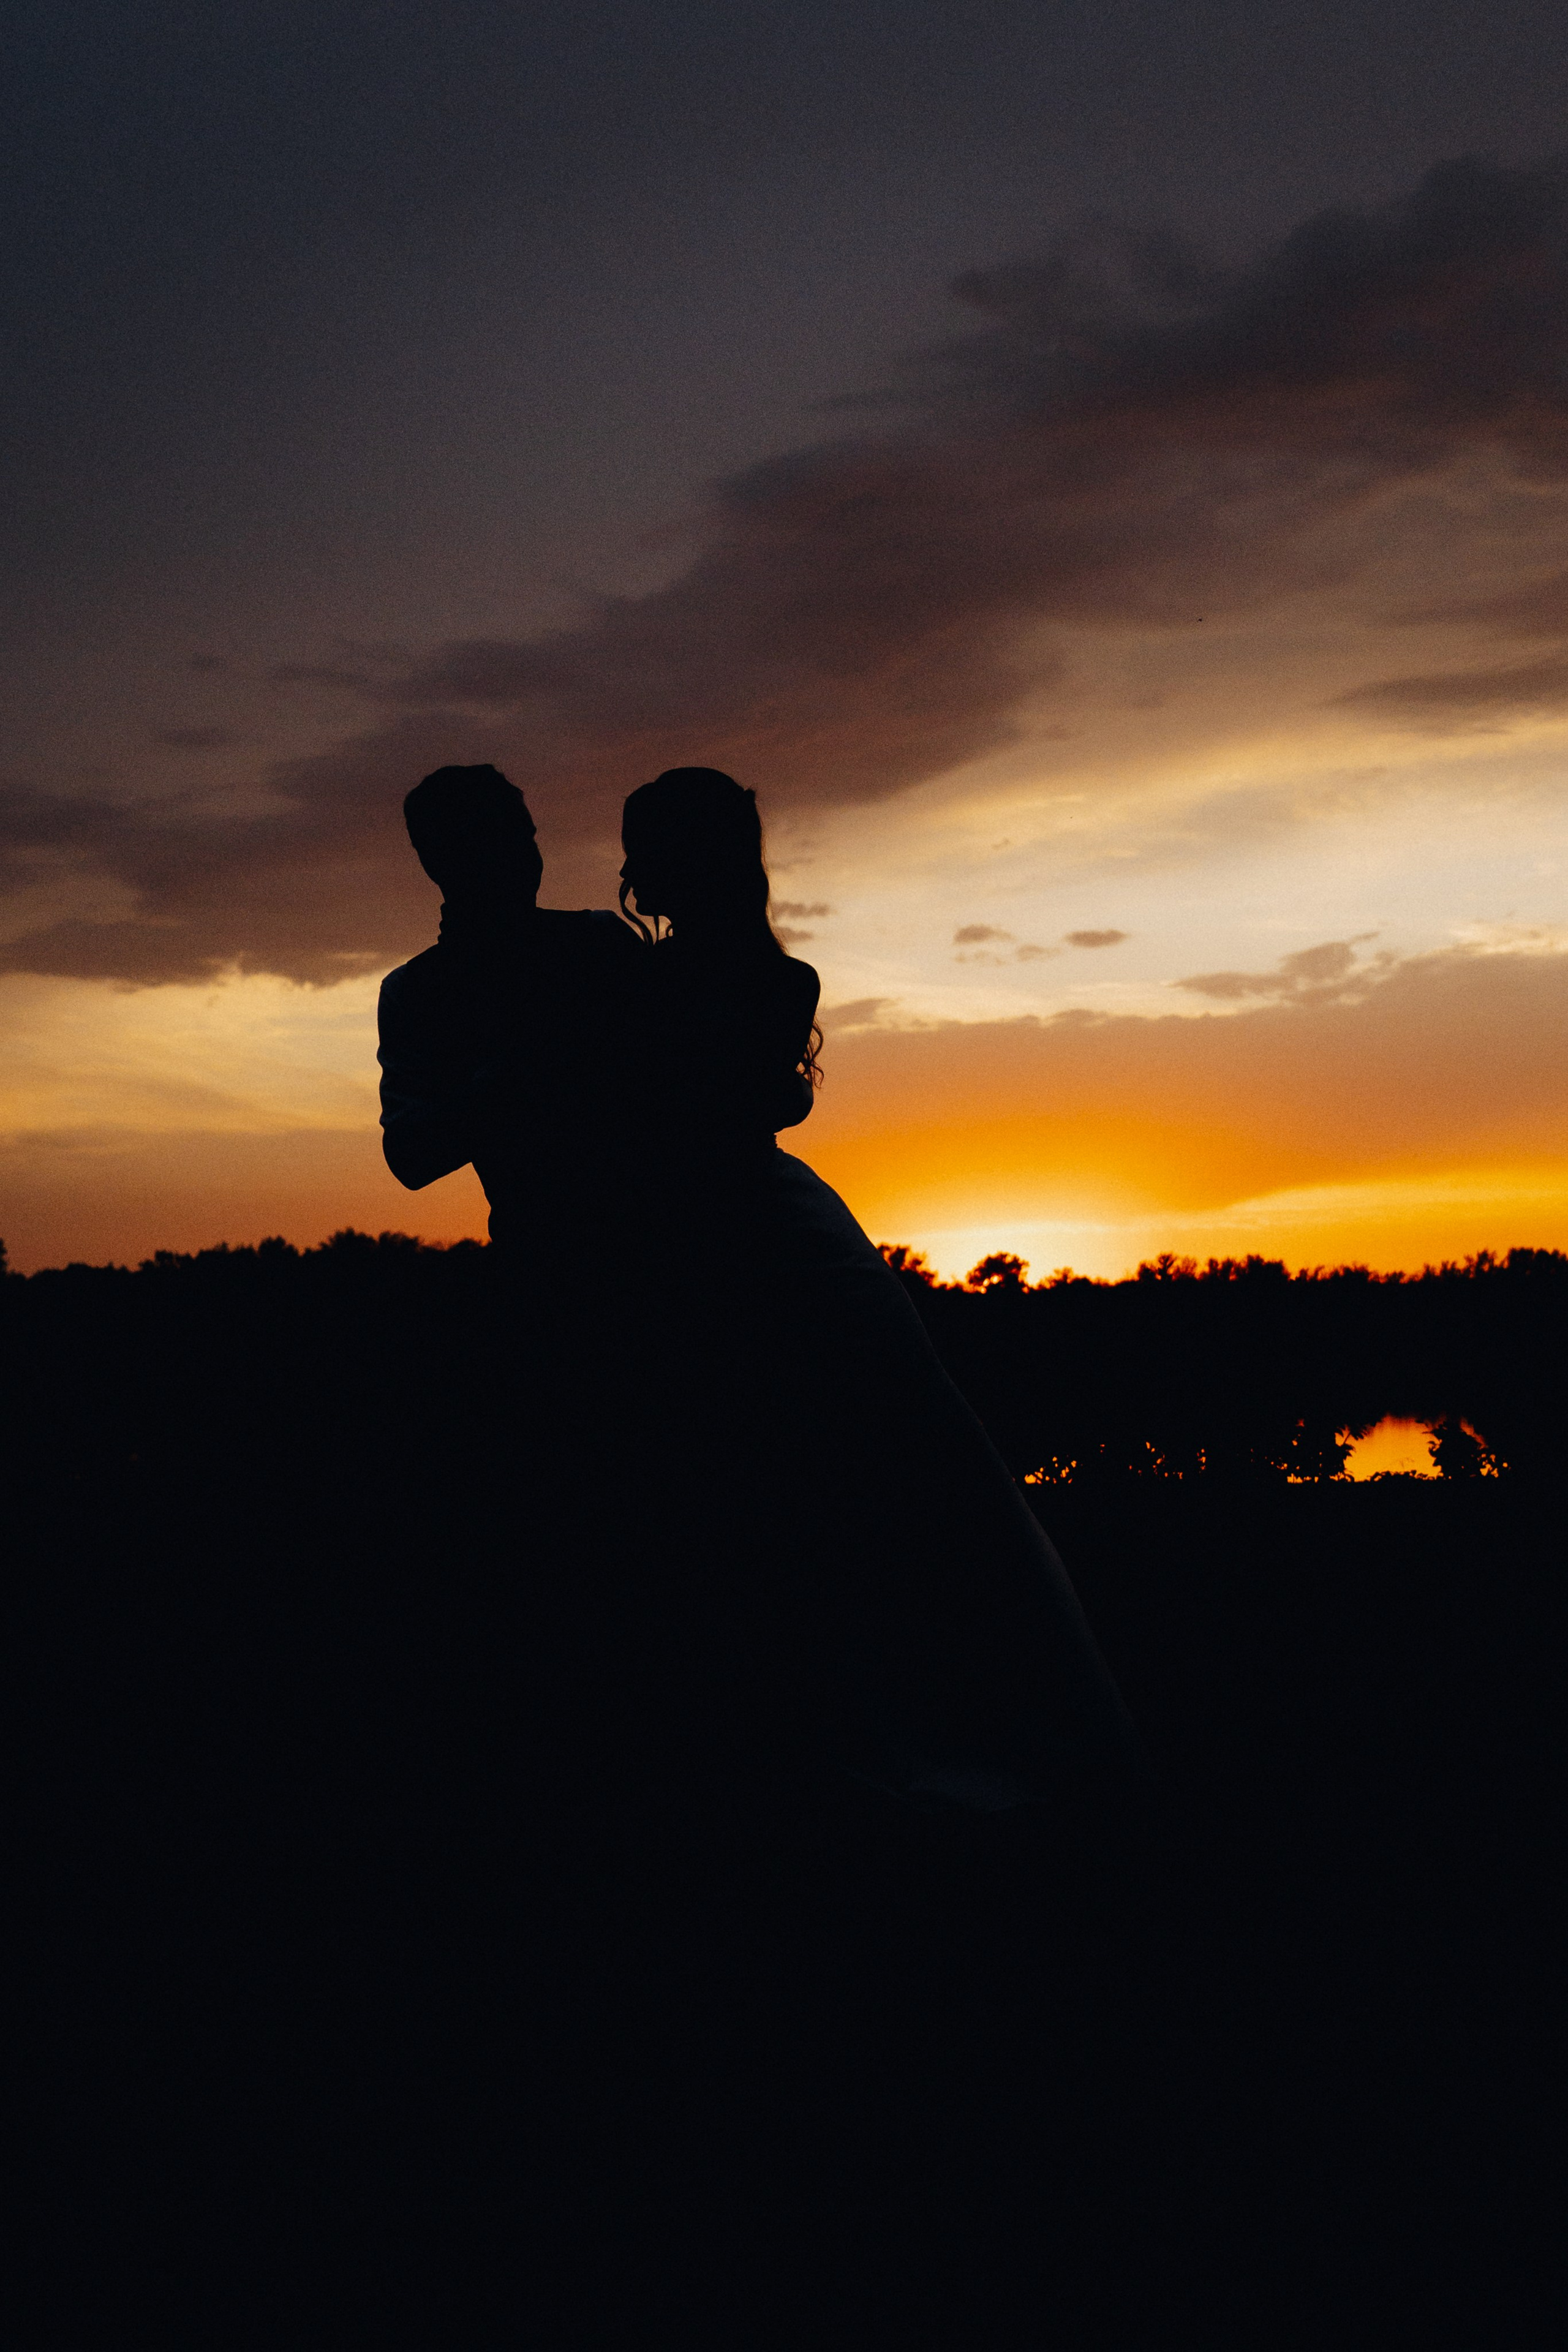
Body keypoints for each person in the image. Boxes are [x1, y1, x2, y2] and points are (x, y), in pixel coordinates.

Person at [616, 766, 1139, 1817]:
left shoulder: (715, 980)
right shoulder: (732, 977)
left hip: (743, 1240)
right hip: (723, 1228)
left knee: (842, 1477)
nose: (630, 871)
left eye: (647, 846)